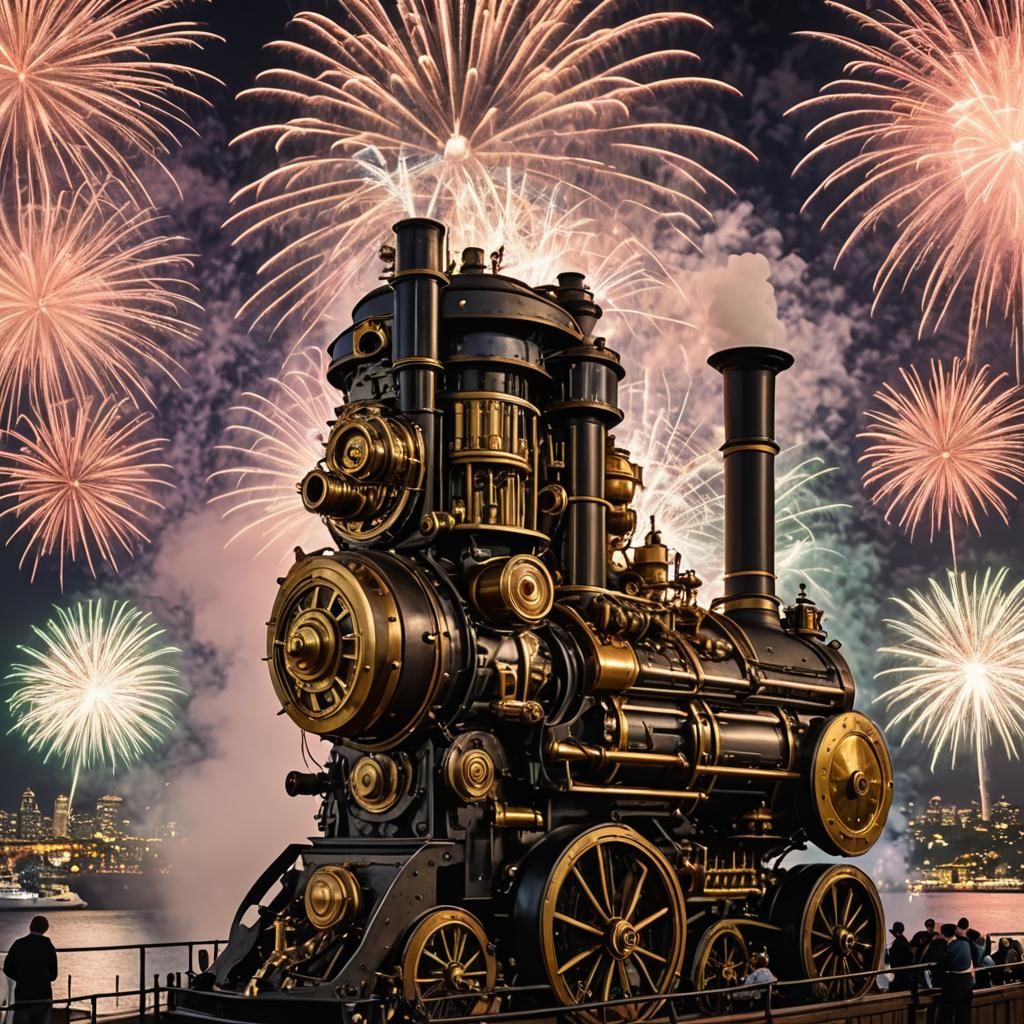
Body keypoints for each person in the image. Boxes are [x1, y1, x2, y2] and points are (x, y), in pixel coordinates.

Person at [2, 916, 57, 1024]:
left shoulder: (18, 944)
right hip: (43, 996)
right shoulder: (48, 946)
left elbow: (7, 968)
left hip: (23, 996)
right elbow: (54, 975)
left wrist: (21, 978)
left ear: (30, 927)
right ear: (45, 929)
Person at [934, 922, 974, 1024]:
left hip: (954, 987)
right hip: (968, 985)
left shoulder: (951, 948)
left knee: (945, 1015)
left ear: (943, 935)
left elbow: (942, 965)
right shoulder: (965, 944)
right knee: (964, 1017)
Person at [889, 921, 914, 991]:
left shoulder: (898, 942)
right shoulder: (904, 941)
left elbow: (894, 956)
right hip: (904, 970)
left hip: (900, 971)